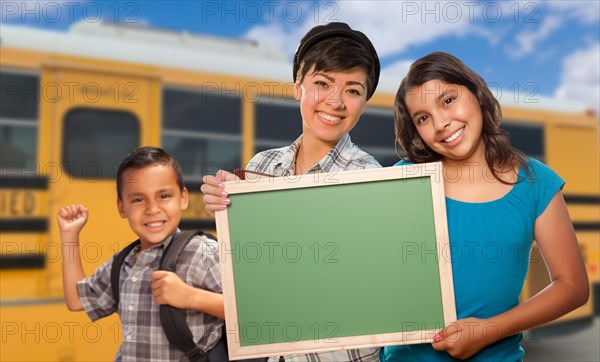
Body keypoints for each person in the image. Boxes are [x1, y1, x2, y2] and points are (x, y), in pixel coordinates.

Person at [381, 52, 589, 361]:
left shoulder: (535, 182)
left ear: (477, 93)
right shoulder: (403, 179)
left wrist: (489, 330)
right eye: (422, 118)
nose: (441, 123)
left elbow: (572, 286)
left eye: (448, 100)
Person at [202, 22, 382, 362]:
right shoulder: (263, 165)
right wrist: (227, 215)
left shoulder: (369, 177)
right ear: (298, 87)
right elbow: (251, 271)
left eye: (353, 91)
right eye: (322, 83)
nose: (335, 101)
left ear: (363, 102)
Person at [58, 146, 224, 361]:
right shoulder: (124, 263)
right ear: (122, 207)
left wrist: (191, 296)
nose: (152, 208)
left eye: (164, 196)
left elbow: (249, 314)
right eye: (138, 199)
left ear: (183, 198)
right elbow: (77, 301)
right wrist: (69, 236)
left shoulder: (201, 252)